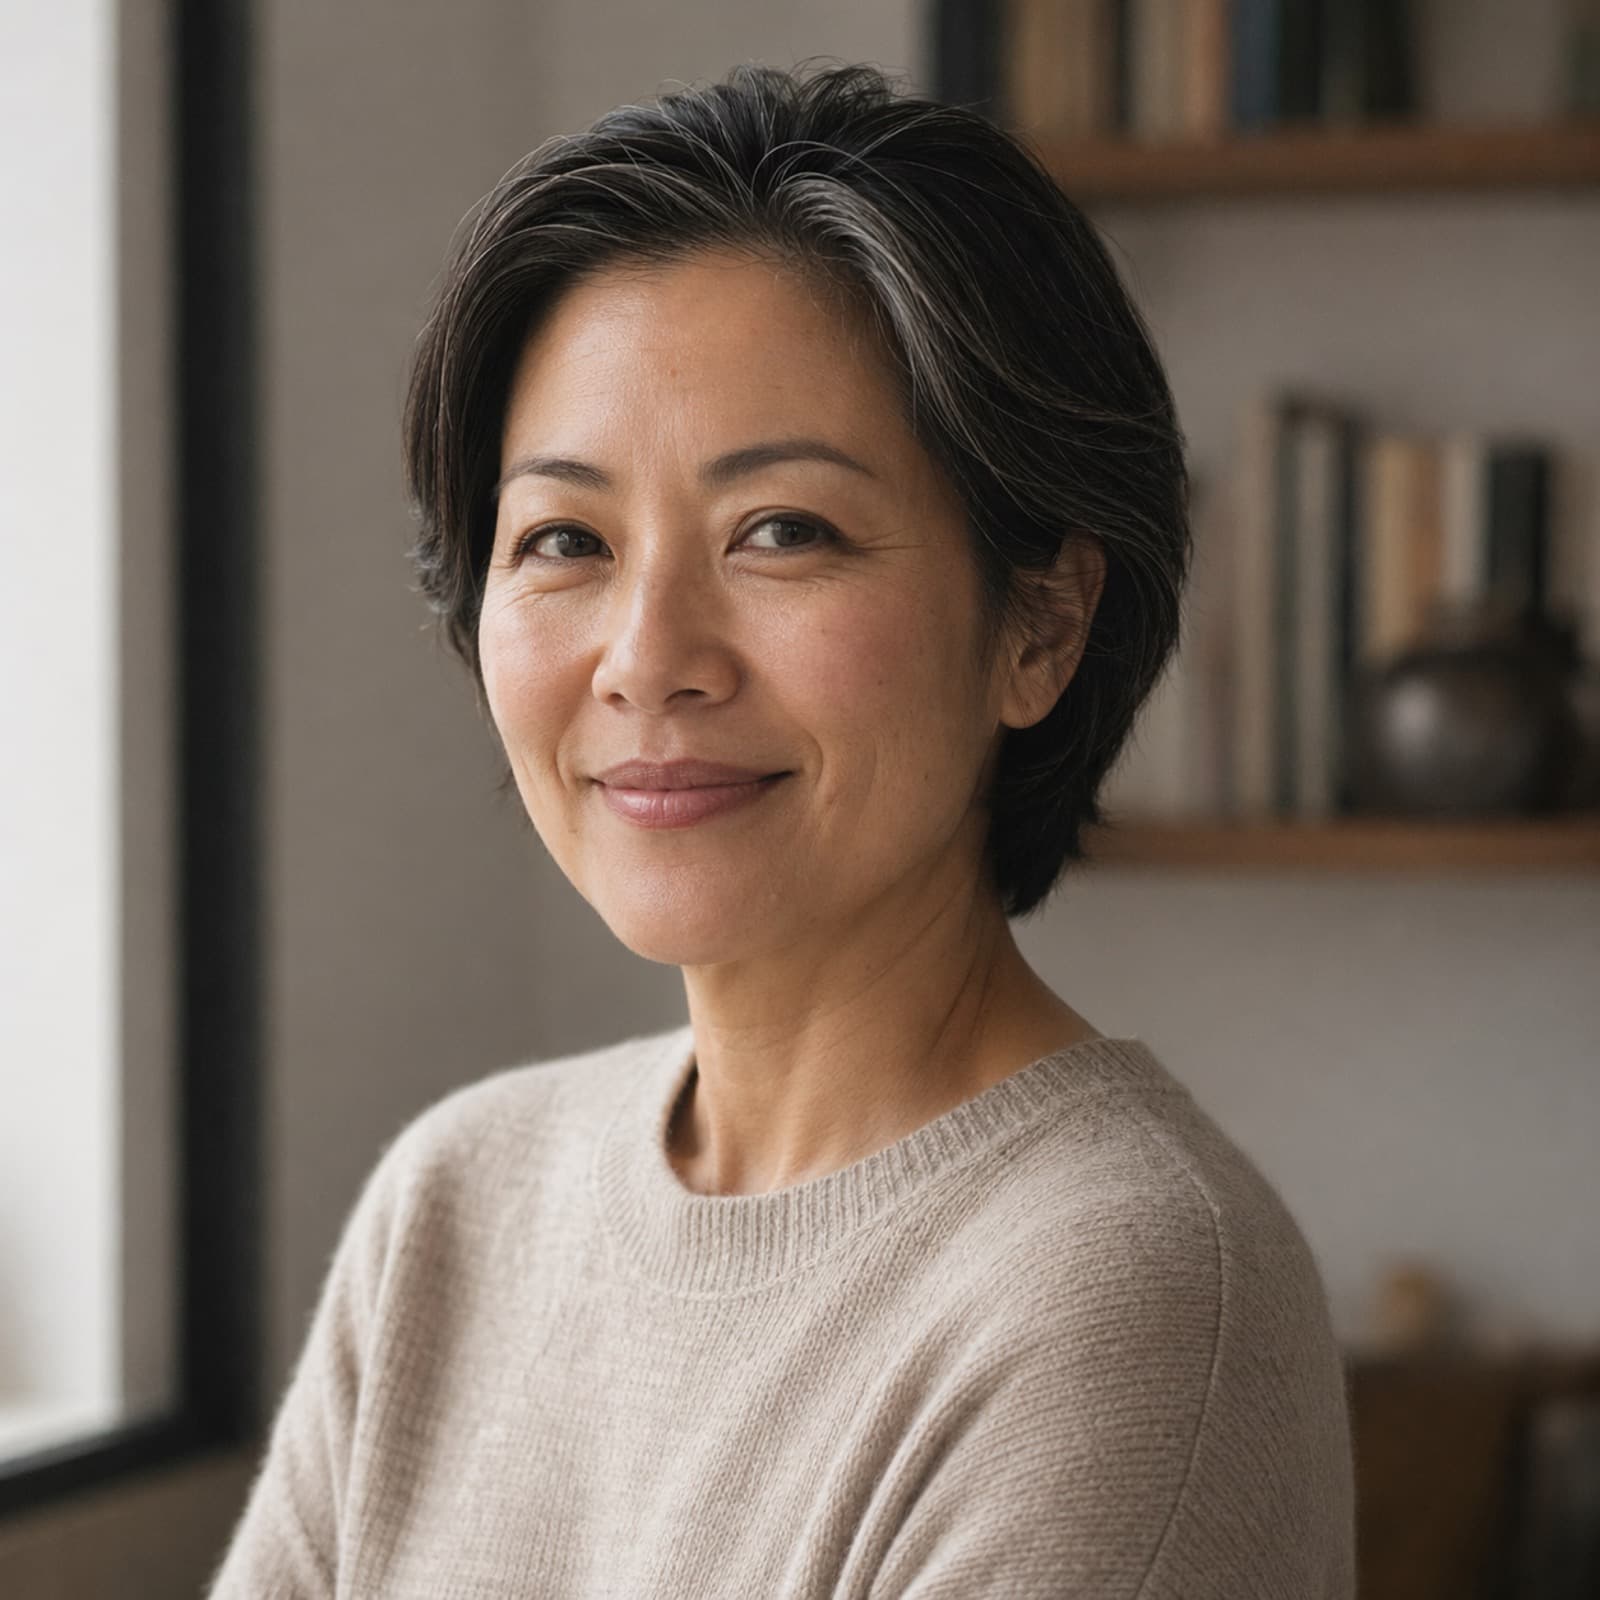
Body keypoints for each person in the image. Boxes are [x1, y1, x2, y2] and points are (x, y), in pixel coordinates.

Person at [206, 60, 1354, 1599]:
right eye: (564, 540)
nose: (647, 653)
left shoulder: (1121, 1297)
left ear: (1041, 622)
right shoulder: (458, 1200)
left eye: (783, 532)